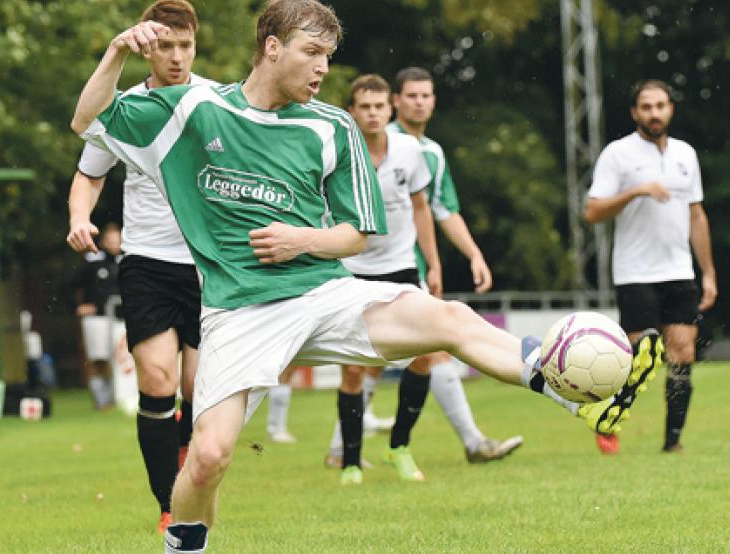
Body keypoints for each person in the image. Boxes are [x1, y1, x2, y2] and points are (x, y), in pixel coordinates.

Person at [70, 1, 657, 549]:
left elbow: (358, 232)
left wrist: (305, 239)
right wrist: (118, 52)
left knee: (449, 318)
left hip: (325, 294)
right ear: (271, 47)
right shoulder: (194, 110)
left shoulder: (332, 127)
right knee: (208, 458)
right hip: (239, 311)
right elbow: (86, 119)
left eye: (329, 55)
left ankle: (572, 394)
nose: (324, 68)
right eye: (311, 52)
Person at [64, 0, 218, 533]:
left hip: (208, 265)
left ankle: (185, 462)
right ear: (148, 48)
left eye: (185, 45)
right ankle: (168, 506)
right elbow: (88, 170)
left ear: (195, 45)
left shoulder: (215, 102)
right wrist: (79, 217)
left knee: (200, 389)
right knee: (157, 380)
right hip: (148, 262)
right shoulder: (126, 109)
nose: (176, 57)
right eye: (166, 46)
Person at [387, 67, 524, 463]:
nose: (419, 102)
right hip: (372, 267)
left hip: (412, 269)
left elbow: (443, 210)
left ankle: (470, 442)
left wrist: (473, 255)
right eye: (411, 95)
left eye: (426, 95)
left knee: (431, 350)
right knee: (371, 360)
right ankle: (348, 451)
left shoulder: (432, 152)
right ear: (395, 100)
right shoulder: (375, 142)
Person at [585, 79, 717, 455]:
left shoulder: (685, 155)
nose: (654, 113)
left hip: (678, 270)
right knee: (634, 357)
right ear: (634, 112)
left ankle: (672, 441)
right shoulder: (618, 155)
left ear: (670, 109)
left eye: (660, 106)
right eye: (646, 106)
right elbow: (592, 212)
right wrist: (636, 191)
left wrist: (707, 272)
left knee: (682, 354)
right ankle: (607, 419)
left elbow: (696, 216)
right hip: (635, 271)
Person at [325, 73, 440, 485]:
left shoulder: (411, 151)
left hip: (403, 267)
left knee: (425, 355)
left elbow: (422, 207)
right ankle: (351, 463)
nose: (372, 114)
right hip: (352, 271)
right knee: (353, 370)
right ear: (351, 112)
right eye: (364, 107)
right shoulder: (335, 151)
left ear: (389, 110)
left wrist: (433, 262)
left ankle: (399, 446)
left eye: (379, 107)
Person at [72, 222, 122, 410]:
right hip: (99, 319)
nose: (114, 244)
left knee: (119, 358)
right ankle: (101, 399)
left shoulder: (126, 261)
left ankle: (118, 396)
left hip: (122, 319)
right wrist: (78, 307)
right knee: (98, 358)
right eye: (110, 240)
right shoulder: (92, 262)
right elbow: (69, 285)